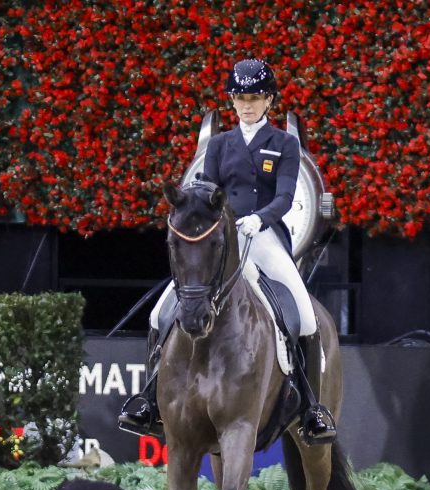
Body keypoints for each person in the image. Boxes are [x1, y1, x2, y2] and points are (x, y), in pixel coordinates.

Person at [118, 58, 337, 445]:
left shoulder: (284, 144)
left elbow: (286, 196)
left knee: (305, 316)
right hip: (222, 239)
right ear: (232, 101)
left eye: (254, 98)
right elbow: (206, 190)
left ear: (268, 101)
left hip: (265, 237)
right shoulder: (219, 145)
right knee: (159, 312)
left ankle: (312, 410)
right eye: (240, 98)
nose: (246, 106)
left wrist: (260, 219)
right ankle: (149, 399)